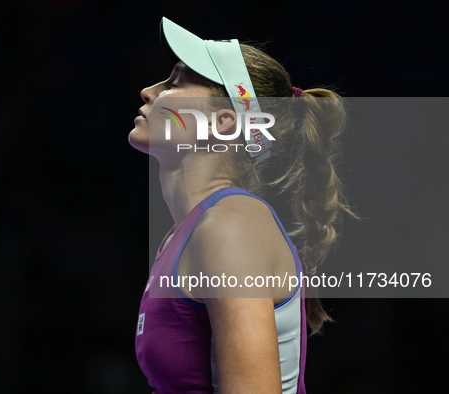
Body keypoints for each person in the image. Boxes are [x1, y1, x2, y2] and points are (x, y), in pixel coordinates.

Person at [129, 17, 356, 394]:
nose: (148, 91)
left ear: (221, 122)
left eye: (174, 82)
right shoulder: (187, 233)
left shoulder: (230, 226)